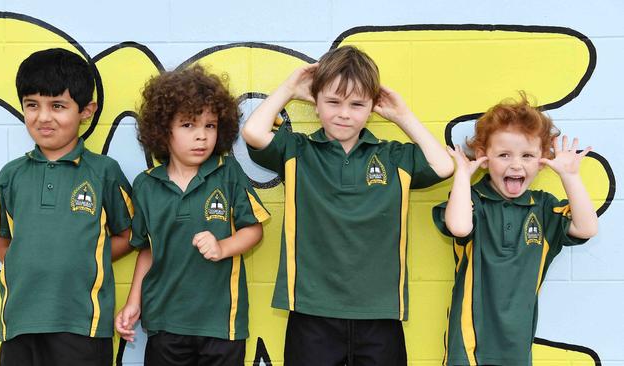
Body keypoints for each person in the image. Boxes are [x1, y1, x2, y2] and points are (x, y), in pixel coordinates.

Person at [242, 45, 453, 365]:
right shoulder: (297, 150)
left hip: (380, 313)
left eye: (356, 104)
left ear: (372, 106)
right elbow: (253, 132)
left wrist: (402, 115)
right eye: (333, 102)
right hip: (311, 310)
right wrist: (289, 88)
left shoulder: (393, 156)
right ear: (316, 102)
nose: (344, 113)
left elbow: (443, 166)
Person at [0, 48, 134, 366]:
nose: (43, 117)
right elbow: (2, 238)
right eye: (32, 105)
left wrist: (86, 255)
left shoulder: (104, 171)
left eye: (57, 106)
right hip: (20, 323)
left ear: (86, 110)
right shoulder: (11, 175)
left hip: (82, 324)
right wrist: (30, 262)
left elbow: (129, 234)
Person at [115, 65, 270, 366]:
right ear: (163, 130)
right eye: (188, 125)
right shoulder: (146, 185)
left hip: (221, 325)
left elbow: (254, 230)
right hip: (164, 322)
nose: (201, 136)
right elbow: (147, 249)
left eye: (210, 126)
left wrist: (223, 246)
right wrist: (133, 302)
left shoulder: (227, 174)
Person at [432, 93, 599, 365]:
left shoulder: (544, 208)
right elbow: (460, 227)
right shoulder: (472, 200)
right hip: (469, 343)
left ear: (543, 159)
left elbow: (586, 227)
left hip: (517, 346)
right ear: (484, 157)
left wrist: (570, 176)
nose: (516, 164)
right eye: (504, 155)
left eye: (527, 155)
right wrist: (462, 175)